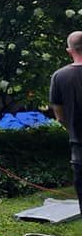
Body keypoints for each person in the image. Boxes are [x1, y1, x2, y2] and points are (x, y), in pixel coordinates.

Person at [49, 30, 82, 214]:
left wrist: (72, 130)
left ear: (70, 50)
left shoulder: (59, 77)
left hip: (79, 148)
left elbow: (60, 116)